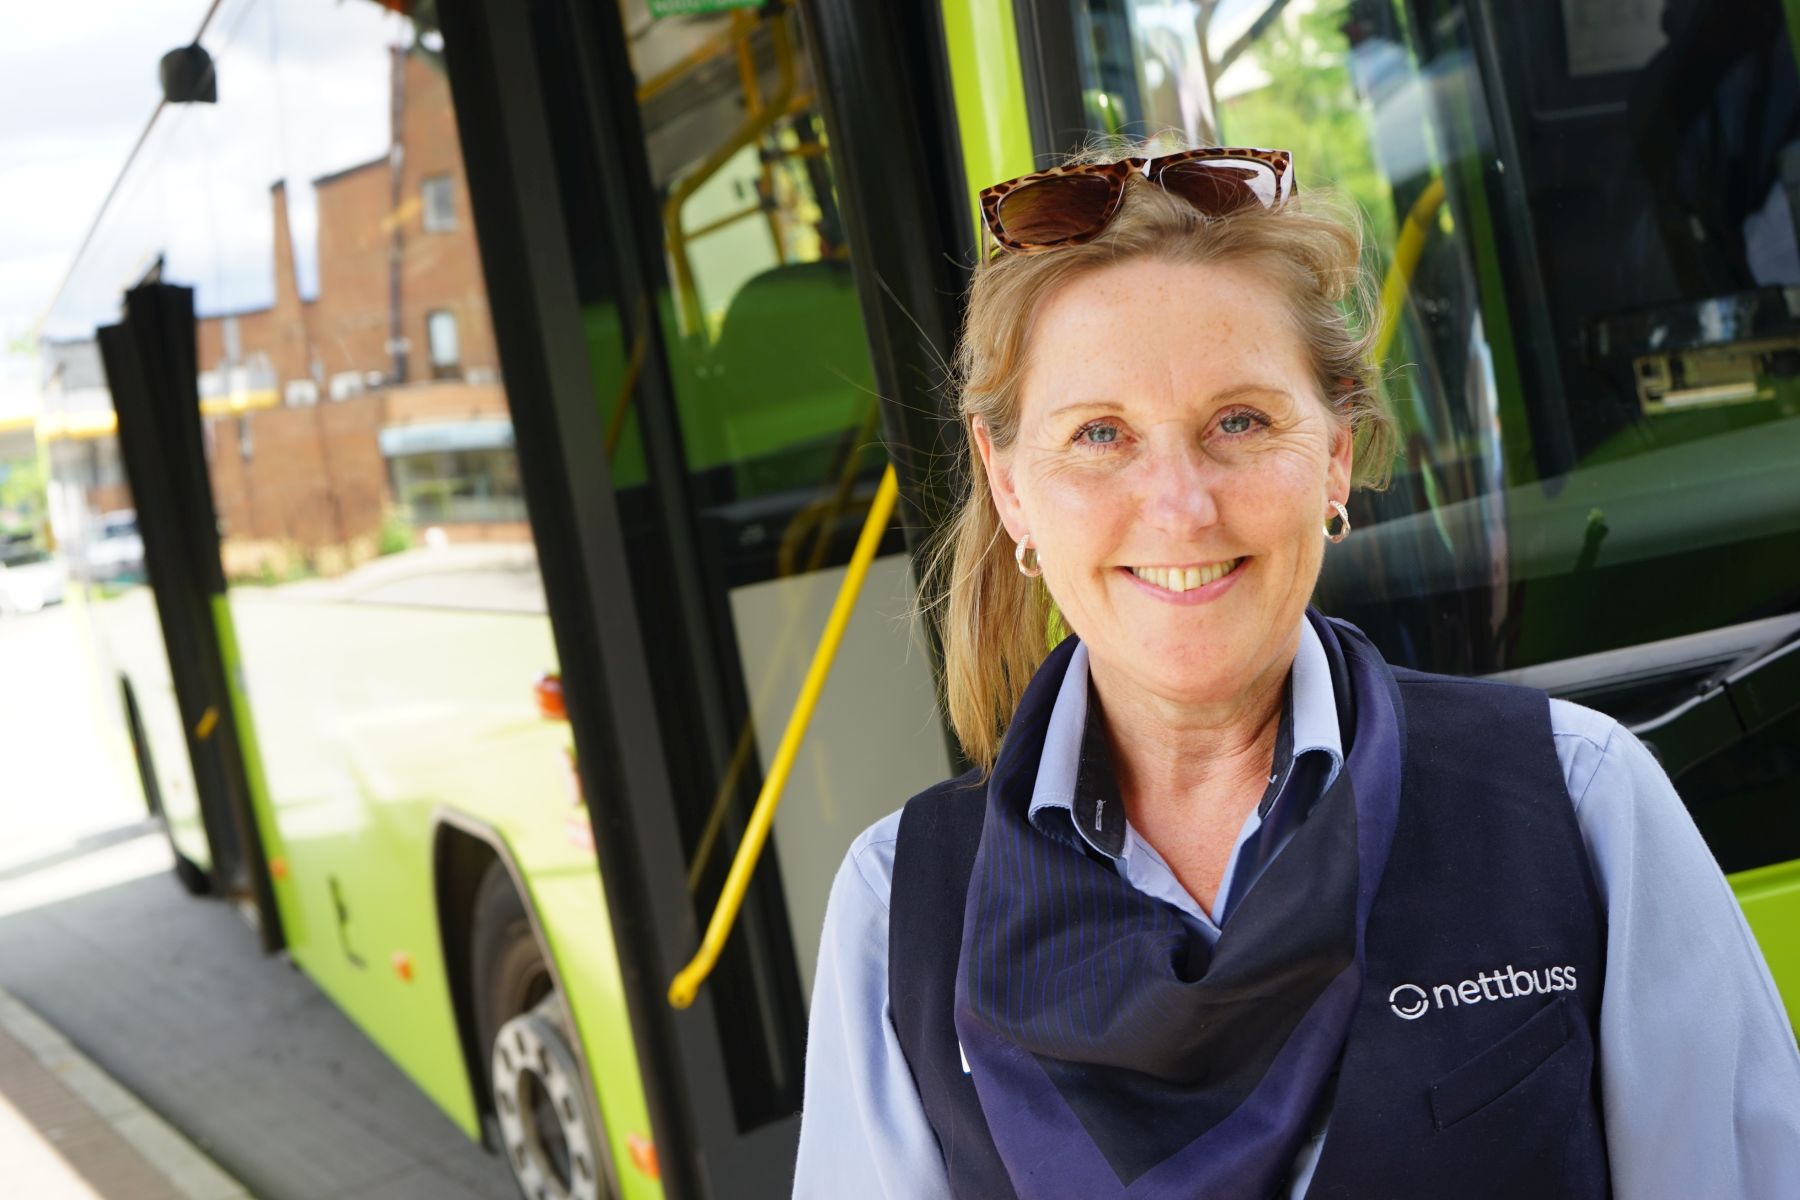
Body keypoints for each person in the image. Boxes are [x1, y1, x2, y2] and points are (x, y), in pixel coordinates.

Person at [793, 143, 1800, 1199]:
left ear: (1334, 451)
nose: (1180, 505)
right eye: (1100, 435)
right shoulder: (901, 912)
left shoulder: (1579, 803)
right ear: (1008, 489)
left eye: (1240, 421)